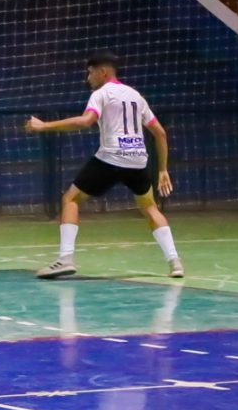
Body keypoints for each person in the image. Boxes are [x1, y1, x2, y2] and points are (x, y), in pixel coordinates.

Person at [25, 51, 183, 279]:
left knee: (70, 199)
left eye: (90, 73)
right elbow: (159, 133)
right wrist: (162, 169)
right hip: (138, 160)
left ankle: (65, 259)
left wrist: (44, 126)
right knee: (150, 208)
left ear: (103, 72)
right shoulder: (135, 95)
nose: (88, 78)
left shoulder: (102, 93)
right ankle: (175, 263)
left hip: (111, 158)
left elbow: (85, 121)